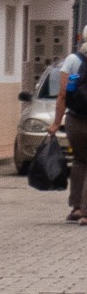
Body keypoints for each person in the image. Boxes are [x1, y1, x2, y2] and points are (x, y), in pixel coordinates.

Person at [51, 29, 87, 223]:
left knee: (80, 161)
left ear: (81, 38)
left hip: (74, 119)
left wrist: (57, 123)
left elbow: (62, 94)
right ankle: (86, 213)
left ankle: (76, 208)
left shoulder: (72, 60)